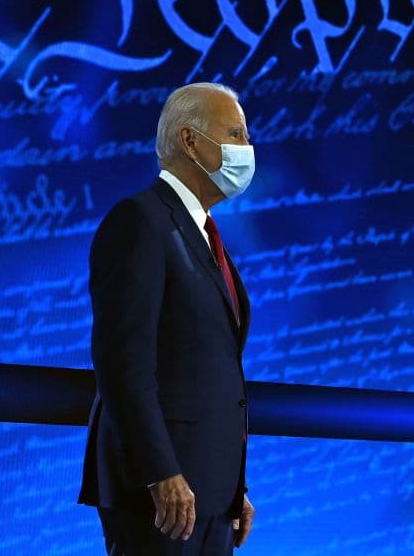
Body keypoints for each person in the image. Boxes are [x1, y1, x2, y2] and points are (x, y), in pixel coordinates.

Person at [78, 82, 256, 555]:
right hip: (160, 498)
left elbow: (210, 369)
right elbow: (122, 364)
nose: (247, 148)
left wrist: (235, 486)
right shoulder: (140, 221)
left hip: (211, 498)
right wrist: (160, 472)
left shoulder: (202, 232)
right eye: (236, 134)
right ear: (190, 140)